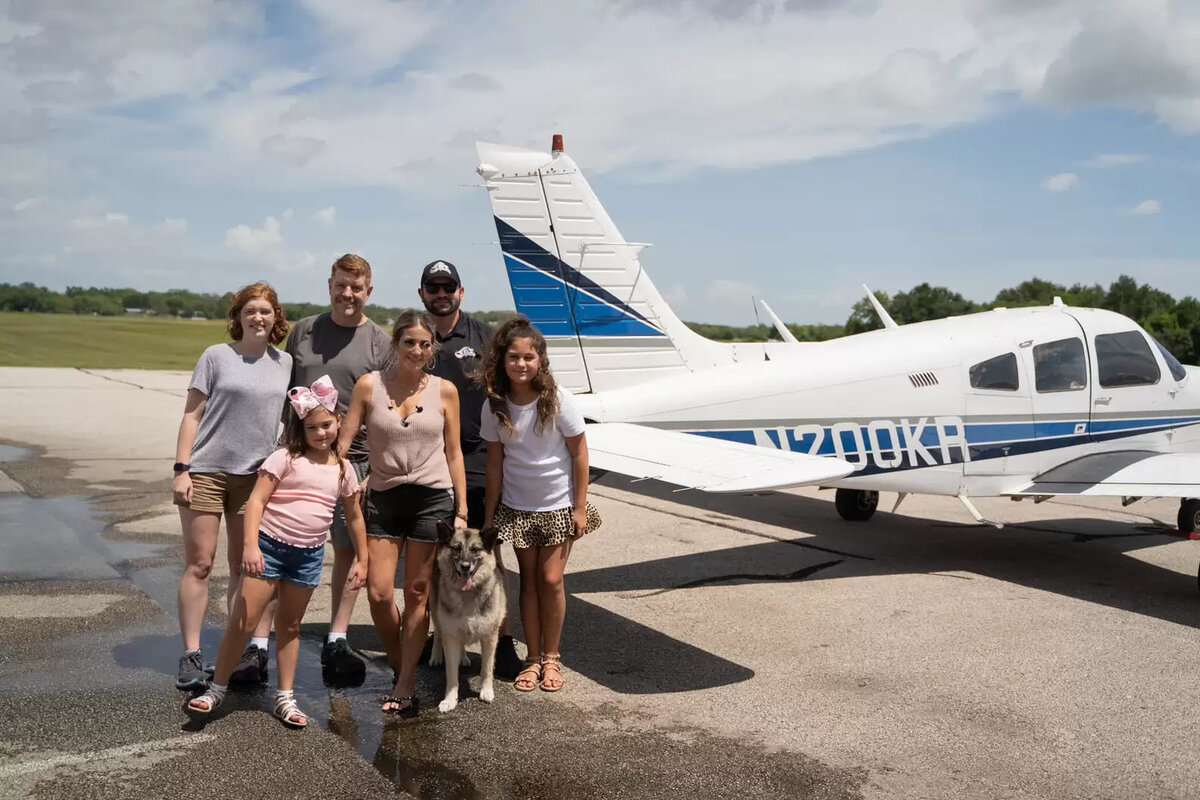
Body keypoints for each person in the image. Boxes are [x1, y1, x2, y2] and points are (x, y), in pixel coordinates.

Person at [238, 254, 395, 684]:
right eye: (341, 285)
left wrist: (374, 468)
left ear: (369, 291)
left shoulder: (380, 343)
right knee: (278, 550)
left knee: (346, 550)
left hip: (353, 463)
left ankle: (337, 638)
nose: (348, 294)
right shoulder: (305, 331)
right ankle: (257, 645)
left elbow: (383, 408)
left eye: (357, 287)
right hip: (296, 457)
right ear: (330, 285)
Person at [186, 377, 368, 728]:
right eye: (312, 427)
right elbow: (255, 501)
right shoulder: (285, 457)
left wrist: (362, 557)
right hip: (268, 548)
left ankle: (285, 697)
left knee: (290, 625)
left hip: (308, 555)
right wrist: (251, 545)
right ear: (302, 428)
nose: (321, 433)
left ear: (338, 422)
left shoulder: (343, 469)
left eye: (326, 425)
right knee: (244, 621)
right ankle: (217, 689)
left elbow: (354, 516)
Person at [340, 310, 468, 716]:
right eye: (409, 341)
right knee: (378, 592)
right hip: (384, 495)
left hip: (432, 498)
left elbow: (454, 452)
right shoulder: (369, 386)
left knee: (416, 593)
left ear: (433, 348)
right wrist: (325, 476)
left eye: (425, 343)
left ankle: (406, 680)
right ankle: (400, 660)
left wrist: (462, 509)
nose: (417, 349)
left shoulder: (445, 391)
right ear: (395, 343)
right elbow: (342, 444)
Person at [172, 283, 293, 691]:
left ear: (277, 317)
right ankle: (191, 654)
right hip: (207, 471)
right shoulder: (216, 357)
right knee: (200, 565)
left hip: (254, 479)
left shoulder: (285, 362)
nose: (258, 317)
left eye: (265, 311)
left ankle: (235, 650)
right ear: (238, 318)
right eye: (250, 311)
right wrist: (181, 468)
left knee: (245, 568)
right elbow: (192, 415)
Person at [479, 318, 601, 693]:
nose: (521, 364)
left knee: (551, 579)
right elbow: (495, 463)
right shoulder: (495, 405)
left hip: (558, 506)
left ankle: (552, 657)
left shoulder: (559, 399)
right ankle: (532, 659)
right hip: (518, 508)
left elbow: (579, 453)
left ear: (540, 359)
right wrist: (489, 517)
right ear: (503, 360)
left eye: (528, 357)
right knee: (528, 582)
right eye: (513, 357)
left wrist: (579, 508)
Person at [416, 259, 522, 679]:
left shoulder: (484, 338)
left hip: (476, 460)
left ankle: (505, 636)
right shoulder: (415, 338)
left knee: (488, 554)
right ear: (422, 293)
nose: (441, 294)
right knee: (431, 557)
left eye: (448, 287)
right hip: (426, 461)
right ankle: (438, 635)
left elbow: (514, 384)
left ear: (460, 292)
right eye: (433, 287)